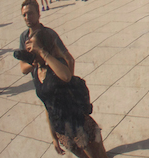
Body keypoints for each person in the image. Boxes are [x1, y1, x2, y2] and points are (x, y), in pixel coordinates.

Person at [23, 19, 108, 157]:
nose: (32, 53)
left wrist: (42, 52)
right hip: (61, 130)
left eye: (34, 50)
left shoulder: (57, 66)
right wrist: (54, 137)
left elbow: (66, 76)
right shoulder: (37, 72)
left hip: (79, 124)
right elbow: (47, 106)